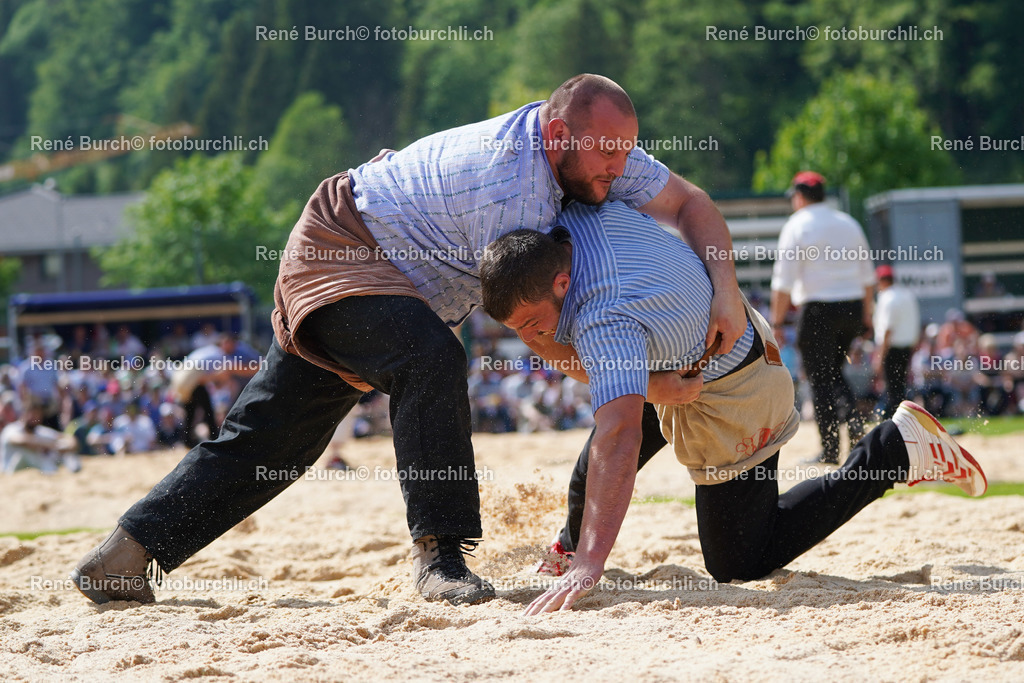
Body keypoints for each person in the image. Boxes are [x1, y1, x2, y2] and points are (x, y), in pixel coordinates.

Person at [70, 73, 749, 607]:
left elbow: (690, 204)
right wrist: (648, 385)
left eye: (624, 151)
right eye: (605, 153)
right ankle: (440, 557)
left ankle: (123, 555)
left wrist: (725, 288)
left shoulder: (594, 151)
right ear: (554, 133)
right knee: (430, 358)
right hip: (344, 249)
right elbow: (530, 327)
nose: (617, 168)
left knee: (277, 438)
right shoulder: (509, 192)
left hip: (395, 273)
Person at [477, 202, 987, 614]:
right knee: (593, 468)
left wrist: (596, 560)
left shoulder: (601, 318)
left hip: (731, 393)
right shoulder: (582, 210)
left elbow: (618, 434)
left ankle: (891, 450)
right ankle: (568, 546)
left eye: (531, 324)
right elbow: (692, 201)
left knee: (738, 562)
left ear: (562, 283)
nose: (528, 339)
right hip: (713, 347)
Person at [770, 171, 875, 465]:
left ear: (800, 196)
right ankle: (855, 429)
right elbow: (868, 277)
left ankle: (830, 449)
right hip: (852, 308)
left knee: (819, 379)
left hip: (818, 310)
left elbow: (783, 282)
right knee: (833, 372)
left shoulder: (797, 225)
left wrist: (777, 324)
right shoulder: (848, 222)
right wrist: (867, 316)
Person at [873, 265, 921, 419]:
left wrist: (880, 356)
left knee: (892, 389)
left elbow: (887, 330)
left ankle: (895, 422)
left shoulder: (887, 298)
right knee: (900, 386)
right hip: (906, 347)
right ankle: (903, 420)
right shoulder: (907, 295)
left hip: (891, 348)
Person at [1, 400, 81, 474]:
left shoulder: (40, 431)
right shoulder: (11, 429)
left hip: (38, 471)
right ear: (24, 413)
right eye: (32, 413)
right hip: (11, 472)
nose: (34, 418)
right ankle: (50, 471)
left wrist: (67, 446)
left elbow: (68, 438)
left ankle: (74, 471)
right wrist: (48, 445)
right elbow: (20, 440)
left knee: (65, 451)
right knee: (25, 454)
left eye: (38, 414)